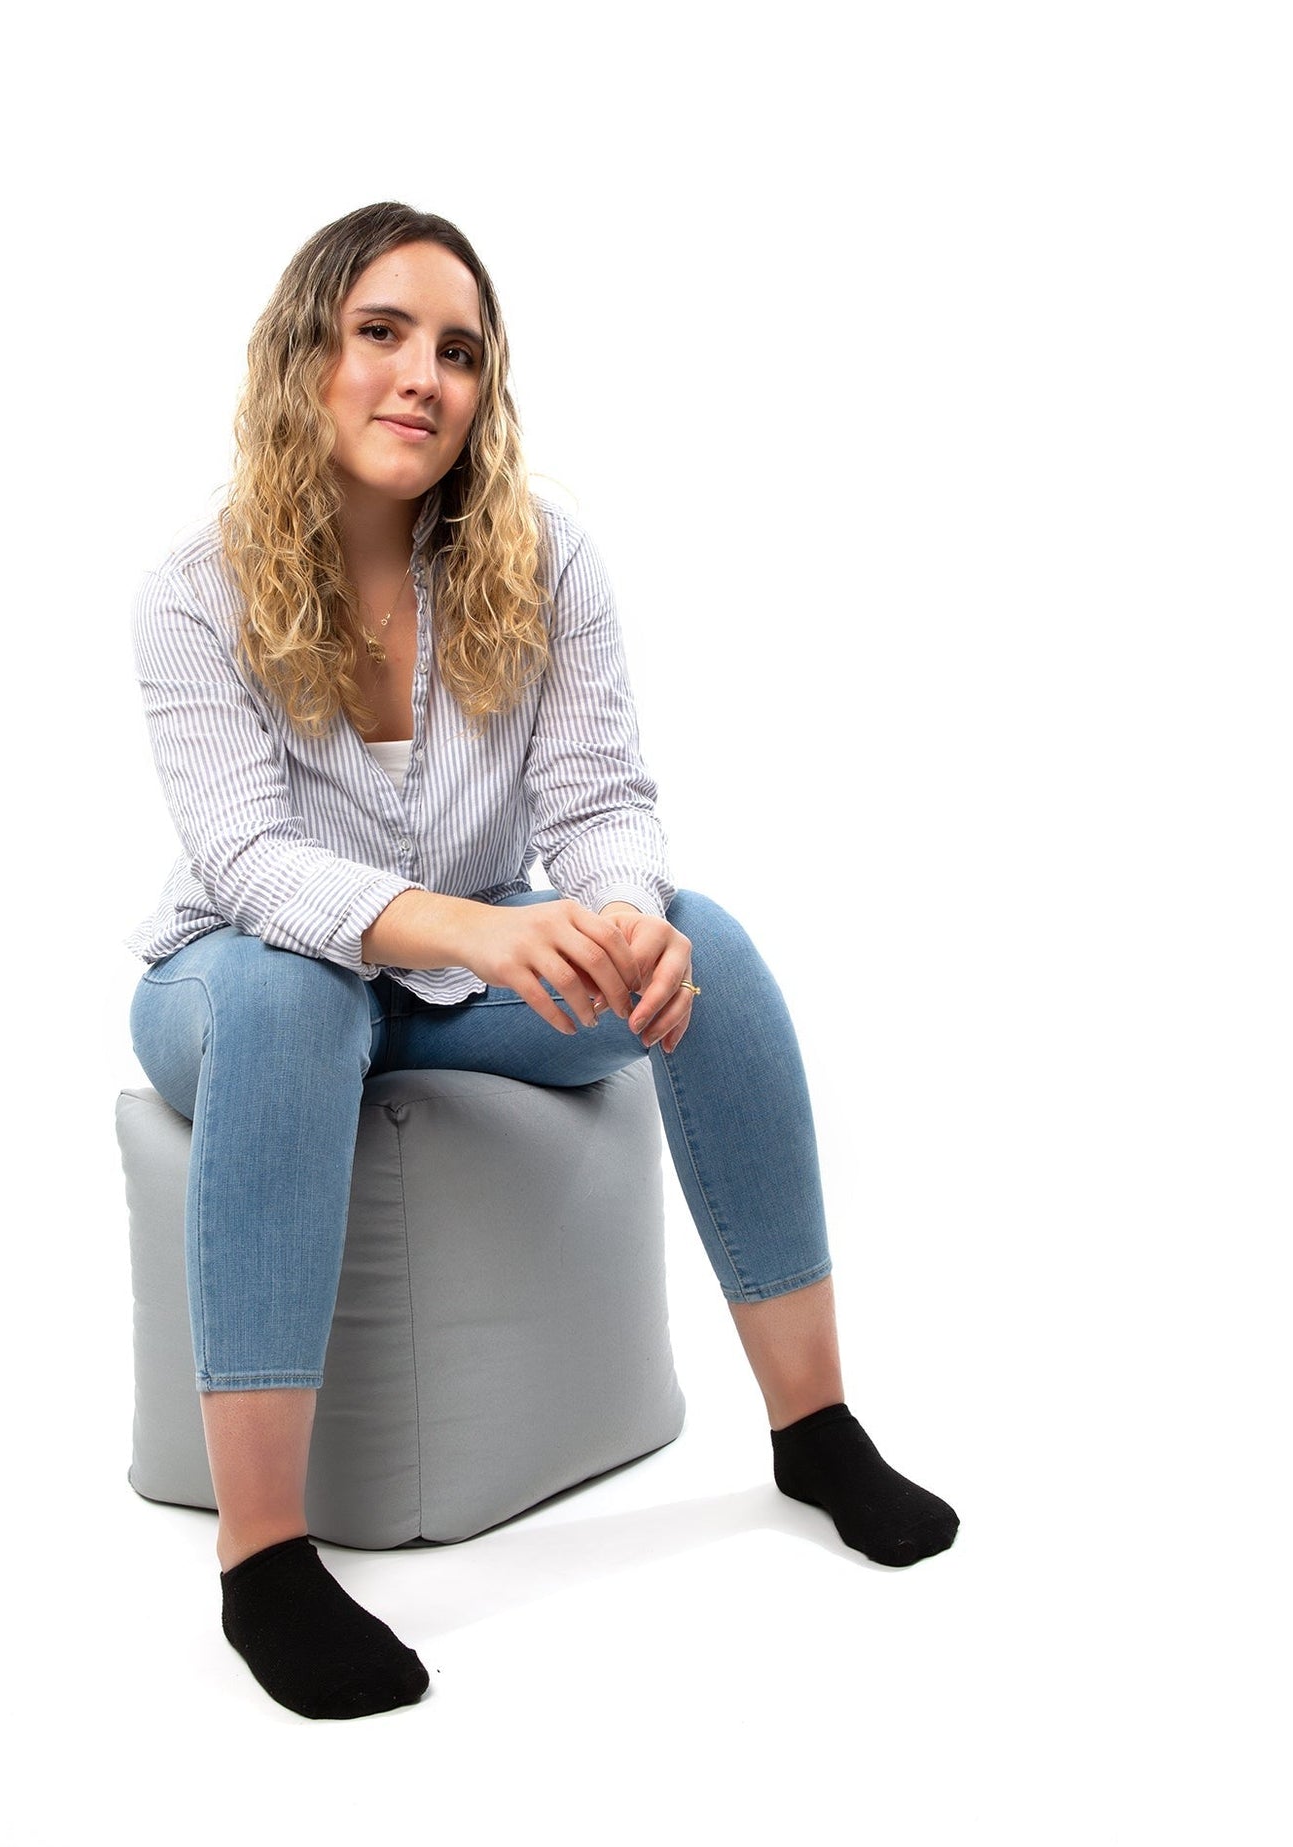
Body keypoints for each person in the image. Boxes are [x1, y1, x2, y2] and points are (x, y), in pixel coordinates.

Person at [125, 202, 957, 1720]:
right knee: (285, 983)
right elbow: (248, 862)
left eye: (457, 350)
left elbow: (600, 804)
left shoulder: (542, 558)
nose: (419, 376)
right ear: (305, 356)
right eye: (379, 332)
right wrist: (477, 925)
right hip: (236, 983)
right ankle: (263, 1557)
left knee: (707, 943)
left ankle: (815, 1423)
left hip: (456, 980)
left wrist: (621, 914)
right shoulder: (195, 592)